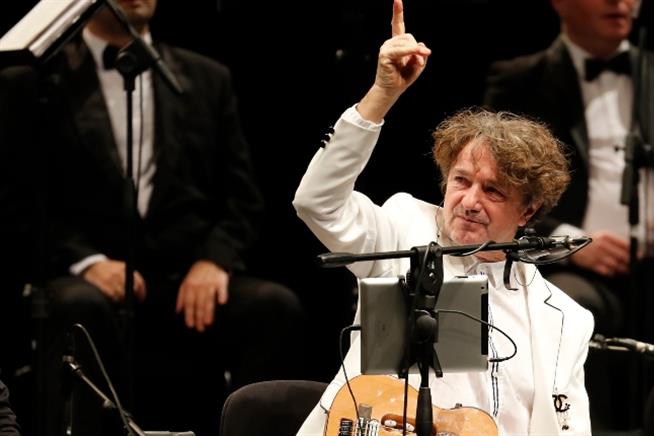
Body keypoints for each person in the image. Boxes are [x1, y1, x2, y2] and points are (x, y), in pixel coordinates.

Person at [293, 1, 592, 434]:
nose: (470, 201)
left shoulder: (565, 319)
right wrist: (382, 95)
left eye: (493, 191)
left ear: (528, 210)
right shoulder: (404, 228)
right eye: (461, 181)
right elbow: (317, 202)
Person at [23, 0, 304, 434]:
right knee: (80, 307)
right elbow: (22, 198)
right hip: (91, 275)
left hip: (180, 275)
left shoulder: (207, 76)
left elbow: (242, 198)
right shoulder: (42, 80)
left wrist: (213, 261)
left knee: (274, 306)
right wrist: (88, 262)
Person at [483, 0, 654, 368]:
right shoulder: (521, 80)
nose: (619, 1)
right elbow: (493, 186)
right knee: (560, 310)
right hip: (572, 269)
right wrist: (567, 241)